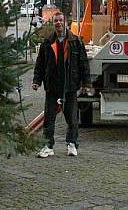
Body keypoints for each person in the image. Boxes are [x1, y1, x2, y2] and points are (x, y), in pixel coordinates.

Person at [32, 11, 91, 157]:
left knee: (71, 118)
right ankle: (48, 146)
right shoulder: (47, 42)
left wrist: (86, 84)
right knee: (49, 117)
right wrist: (36, 81)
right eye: (55, 21)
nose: (58, 23)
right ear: (53, 24)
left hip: (70, 85)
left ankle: (72, 144)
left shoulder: (75, 41)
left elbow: (83, 63)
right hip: (52, 86)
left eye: (60, 20)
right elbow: (40, 64)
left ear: (65, 22)